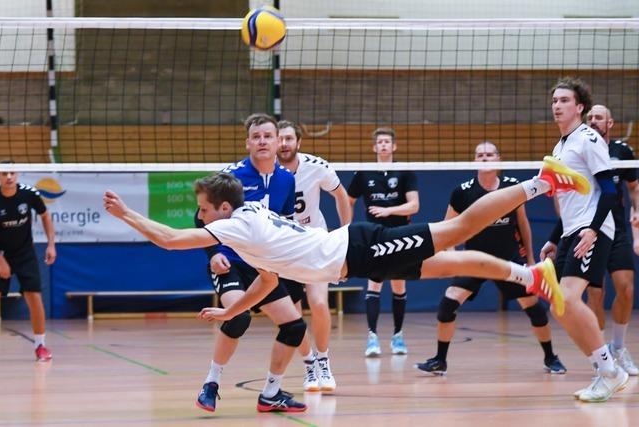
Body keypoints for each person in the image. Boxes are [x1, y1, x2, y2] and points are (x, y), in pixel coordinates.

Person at [104, 156, 589, 410]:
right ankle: (532, 277)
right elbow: (268, 281)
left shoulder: (235, 225)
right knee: (445, 263)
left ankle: (542, 182)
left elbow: (169, 240)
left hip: (356, 248)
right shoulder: (251, 223)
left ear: (223, 211)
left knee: (456, 232)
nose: (201, 217)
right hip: (354, 258)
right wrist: (230, 312)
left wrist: (127, 214)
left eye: (205, 211)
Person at [416, 142, 566, 375]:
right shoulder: (462, 191)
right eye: (480, 155)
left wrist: (529, 257)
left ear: (499, 159)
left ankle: (550, 357)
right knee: (447, 305)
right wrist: (451, 252)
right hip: (474, 260)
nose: (485, 158)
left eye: (490, 154)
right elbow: (446, 226)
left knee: (535, 310)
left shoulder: (511, 188)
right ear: (474, 160)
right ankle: (439, 360)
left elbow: (523, 223)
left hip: (508, 259)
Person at [193, 113, 306, 413]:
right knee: (238, 316)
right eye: (256, 137)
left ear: (278, 141)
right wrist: (213, 252)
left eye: (268, 136)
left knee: (294, 326)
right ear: (247, 143)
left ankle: (271, 392)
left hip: (264, 268)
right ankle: (211, 383)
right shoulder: (231, 177)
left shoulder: (287, 179)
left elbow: (284, 224)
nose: (262, 142)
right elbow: (200, 216)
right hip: (230, 262)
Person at [539, 78, 629, 402]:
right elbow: (567, 202)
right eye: (554, 100)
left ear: (579, 107)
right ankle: (605, 370)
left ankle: (610, 372)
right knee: (559, 308)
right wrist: (554, 238)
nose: (557, 105)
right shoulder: (559, 147)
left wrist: (591, 230)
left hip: (592, 230)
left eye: (564, 100)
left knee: (569, 298)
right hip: (569, 231)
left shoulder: (589, 138)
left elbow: (609, 190)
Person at [277, 120, 351, 392]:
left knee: (319, 303)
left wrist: (345, 235)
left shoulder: (316, 166)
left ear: (298, 142)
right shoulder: (266, 171)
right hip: (282, 248)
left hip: (315, 242)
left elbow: (341, 196)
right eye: (279, 139)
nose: (283, 144)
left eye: (288, 138)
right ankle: (308, 364)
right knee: (293, 316)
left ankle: (323, 361)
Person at [347, 127, 419, 357]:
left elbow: (414, 206)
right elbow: (347, 200)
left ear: (394, 146)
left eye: (388, 142)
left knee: (399, 285)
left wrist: (388, 211)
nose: (384, 145)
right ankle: (372, 338)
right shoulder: (364, 173)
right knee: (374, 283)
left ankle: (398, 337)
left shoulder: (405, 172)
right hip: (374, 236)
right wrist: (346, 227)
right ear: (374, 147)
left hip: (400, 236)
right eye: (380, 142)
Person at [584, 104, 639, 376]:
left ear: (610, 123)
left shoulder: (621, 151)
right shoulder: (579, 147)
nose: (593, 121)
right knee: (595, 294)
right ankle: (601, 355)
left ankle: (618, 347)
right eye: (590, 117)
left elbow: (634, 189)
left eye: (598, 118)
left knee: (626, 288)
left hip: (616, 229)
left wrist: (637, 218)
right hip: (589, 229)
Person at [0, 160, 56, 361]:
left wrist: (51, 244)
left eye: (11, 173)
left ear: (18, 174)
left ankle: (40, 346)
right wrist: (0, 259)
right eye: (4, 173)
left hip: (24, 253)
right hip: (1, 252)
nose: (8, 177)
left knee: (34, 297)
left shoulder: (29, 194)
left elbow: (45, 215)